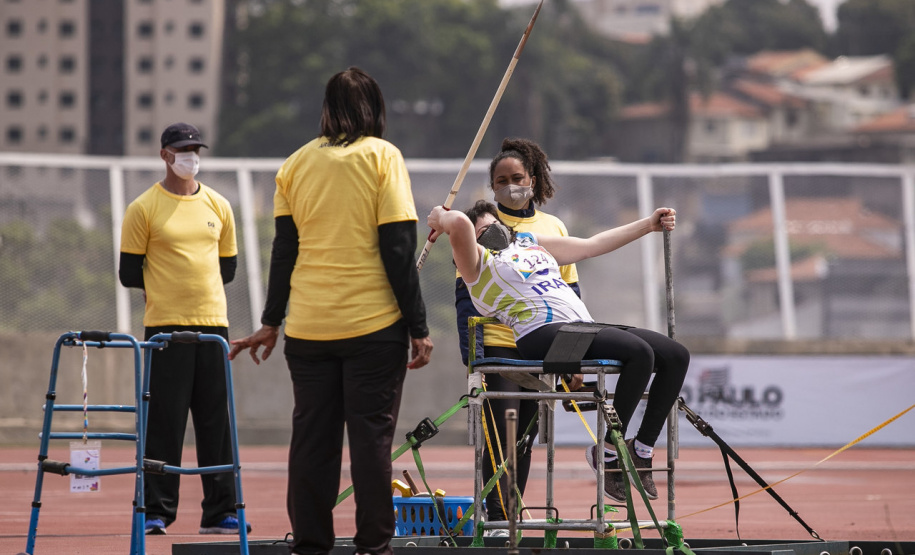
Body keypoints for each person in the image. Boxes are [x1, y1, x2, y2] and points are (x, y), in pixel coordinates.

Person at [228, 67, 434, 555]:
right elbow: (399, 249)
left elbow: (285, 251)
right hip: (374, 328)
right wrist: (419, 326)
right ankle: (373, 546)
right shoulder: (383, 157)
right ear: (374, 108)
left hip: (307, 331)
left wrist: (270, 322)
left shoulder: (294, 165)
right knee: (370, 443)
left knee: (311, 444)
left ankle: (311, 545)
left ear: (327, 108)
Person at [429, 200, 689, 503]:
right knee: (639, 353)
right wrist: (440, 217)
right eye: (482, 232)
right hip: (539, 335)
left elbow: (591, 245)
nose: (492, 233)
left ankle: (641, 450)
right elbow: (459, 224)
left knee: (675, 355)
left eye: (495, 225)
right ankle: (606, 452)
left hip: (582, 325)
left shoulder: (529, 244)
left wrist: (648, 225)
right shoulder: (477, 266)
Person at [119, 122, 250, 535]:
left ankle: (221, 511)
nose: (190, 156)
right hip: (164, 328)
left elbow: (227, 267)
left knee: (216, 420)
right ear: (165, 155)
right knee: (164, 420)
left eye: (195, 148)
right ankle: (157, 511)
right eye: (182, 149)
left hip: (213, 326)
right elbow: (128, 272)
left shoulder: (219, 205)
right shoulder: (143, 208)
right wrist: (165, 287)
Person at [454, 138, 583, 529]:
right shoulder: (482, 226)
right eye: (501, 180)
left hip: (541, 348)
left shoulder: (552, 227)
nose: (511, 185)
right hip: (500, 353)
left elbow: (570, 297)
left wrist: (571, 360)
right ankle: (498, 517)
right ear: (492, 187)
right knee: (500, 439)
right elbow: (466, 300)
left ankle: (510, 515)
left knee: (526, 440)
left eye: (517, 177)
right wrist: (473, 359)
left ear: (533, 178)